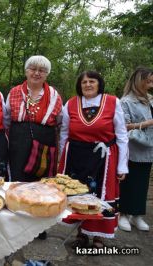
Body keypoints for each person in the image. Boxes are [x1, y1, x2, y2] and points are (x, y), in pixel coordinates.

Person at [58, 71, 128, 248]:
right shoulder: (71, 104)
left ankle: (99, 236)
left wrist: (122, 166)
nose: (88, 85)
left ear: (99, 83)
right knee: (78, 196)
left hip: (103, 159)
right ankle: (81, 234)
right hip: (76, 156)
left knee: (100, 196)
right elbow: (64, 133)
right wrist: (61, 159)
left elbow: (122, 135)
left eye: (92, 81)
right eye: (84, 82)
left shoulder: (113, 102)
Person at [6, 55, 62, 182]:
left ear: (46, 74)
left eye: (41, 70)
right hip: (18, 146)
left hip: (44, 148)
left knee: (42, 183)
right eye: (33, 69)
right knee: (18, 181)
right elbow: (6, 120)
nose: (37, 73)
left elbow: (60, 123)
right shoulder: (14, 92)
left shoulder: (54, 96)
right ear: (26, 71)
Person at [118, 67, 153, 232]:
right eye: (149, 79)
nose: (151, 82)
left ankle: (137, 215)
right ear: (140, 80)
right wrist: (146, 123)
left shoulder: (151, 99)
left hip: (149, 149)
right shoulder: (126, 101)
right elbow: (122, 126)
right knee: (129, 182)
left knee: (143, 183)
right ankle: (123, 214)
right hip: (133, 149)